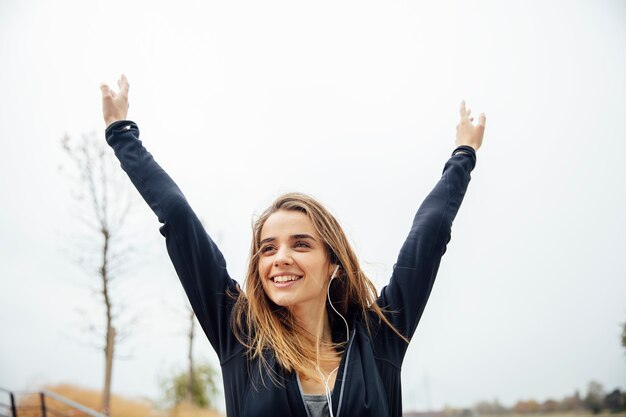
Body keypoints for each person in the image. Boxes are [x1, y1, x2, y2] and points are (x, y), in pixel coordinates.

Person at [100, 74, 486, 417]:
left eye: (300, 244)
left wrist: (463, 155)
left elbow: (429, 235)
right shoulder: (240, 335)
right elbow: (178, 220)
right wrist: (122, 134)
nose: (280, 258)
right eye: (267, 249)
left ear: (333, 263)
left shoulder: (379, 336)